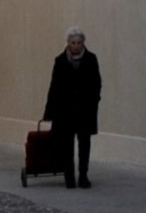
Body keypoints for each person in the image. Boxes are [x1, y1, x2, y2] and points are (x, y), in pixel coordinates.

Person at [44, 27, 102, 187]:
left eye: (79, 42)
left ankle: (83, 175)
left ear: (84, 43)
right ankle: (69, 176)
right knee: (66, 145)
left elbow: (96, 83)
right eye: (73, 43)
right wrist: (49, 110)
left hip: (85, 110)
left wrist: (94, 100)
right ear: (68, 43)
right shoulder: (60, 60)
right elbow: (54, 86)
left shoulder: (91, 59)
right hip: (65, 110)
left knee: (84, 144)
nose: (76, 46)